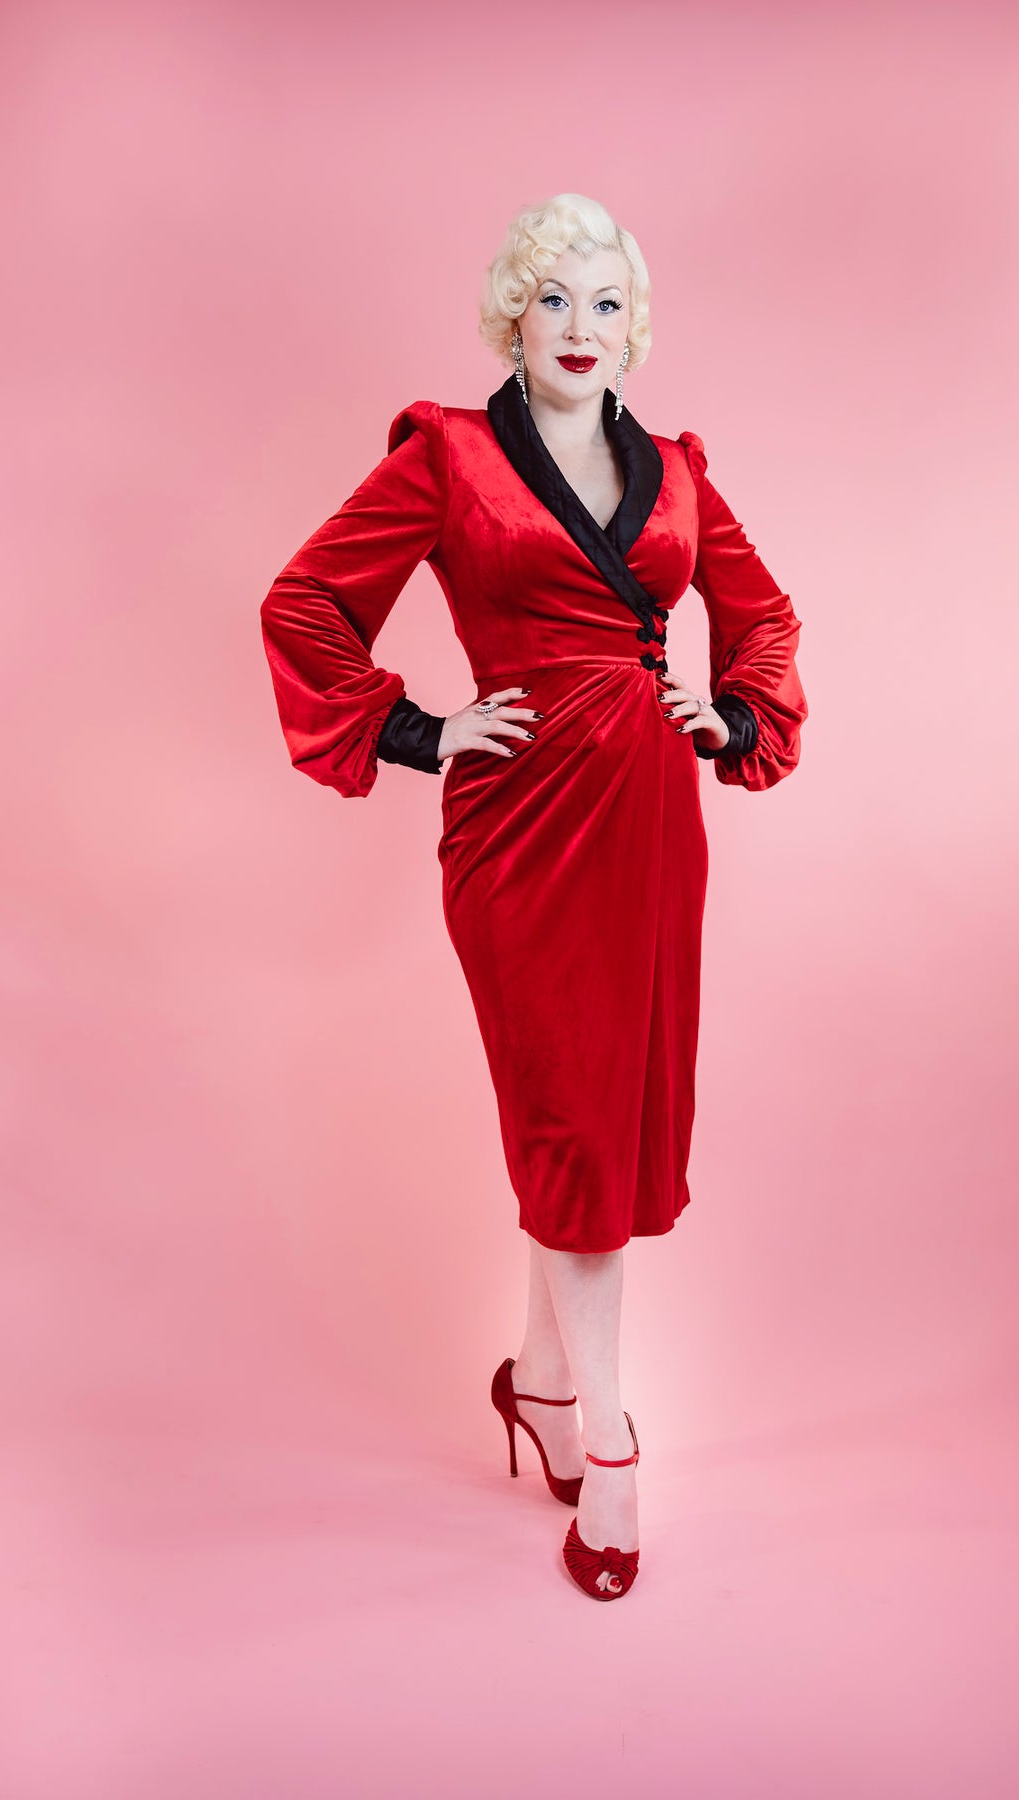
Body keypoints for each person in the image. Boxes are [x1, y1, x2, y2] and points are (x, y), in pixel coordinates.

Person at [259, 193, 808, 1601]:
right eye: (553, 298)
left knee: (607, 1113)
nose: (579, 325)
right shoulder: (446, 455)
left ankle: (544, 1385)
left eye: (605, 302)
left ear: (635, 326)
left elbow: (762, 618)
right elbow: (305, 603)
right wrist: (423, 730)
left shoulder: (676, 473)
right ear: (513, 314)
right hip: (518, 826)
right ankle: (610, 1446)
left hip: (651, 824)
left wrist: (732, 716)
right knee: (567, 1107)